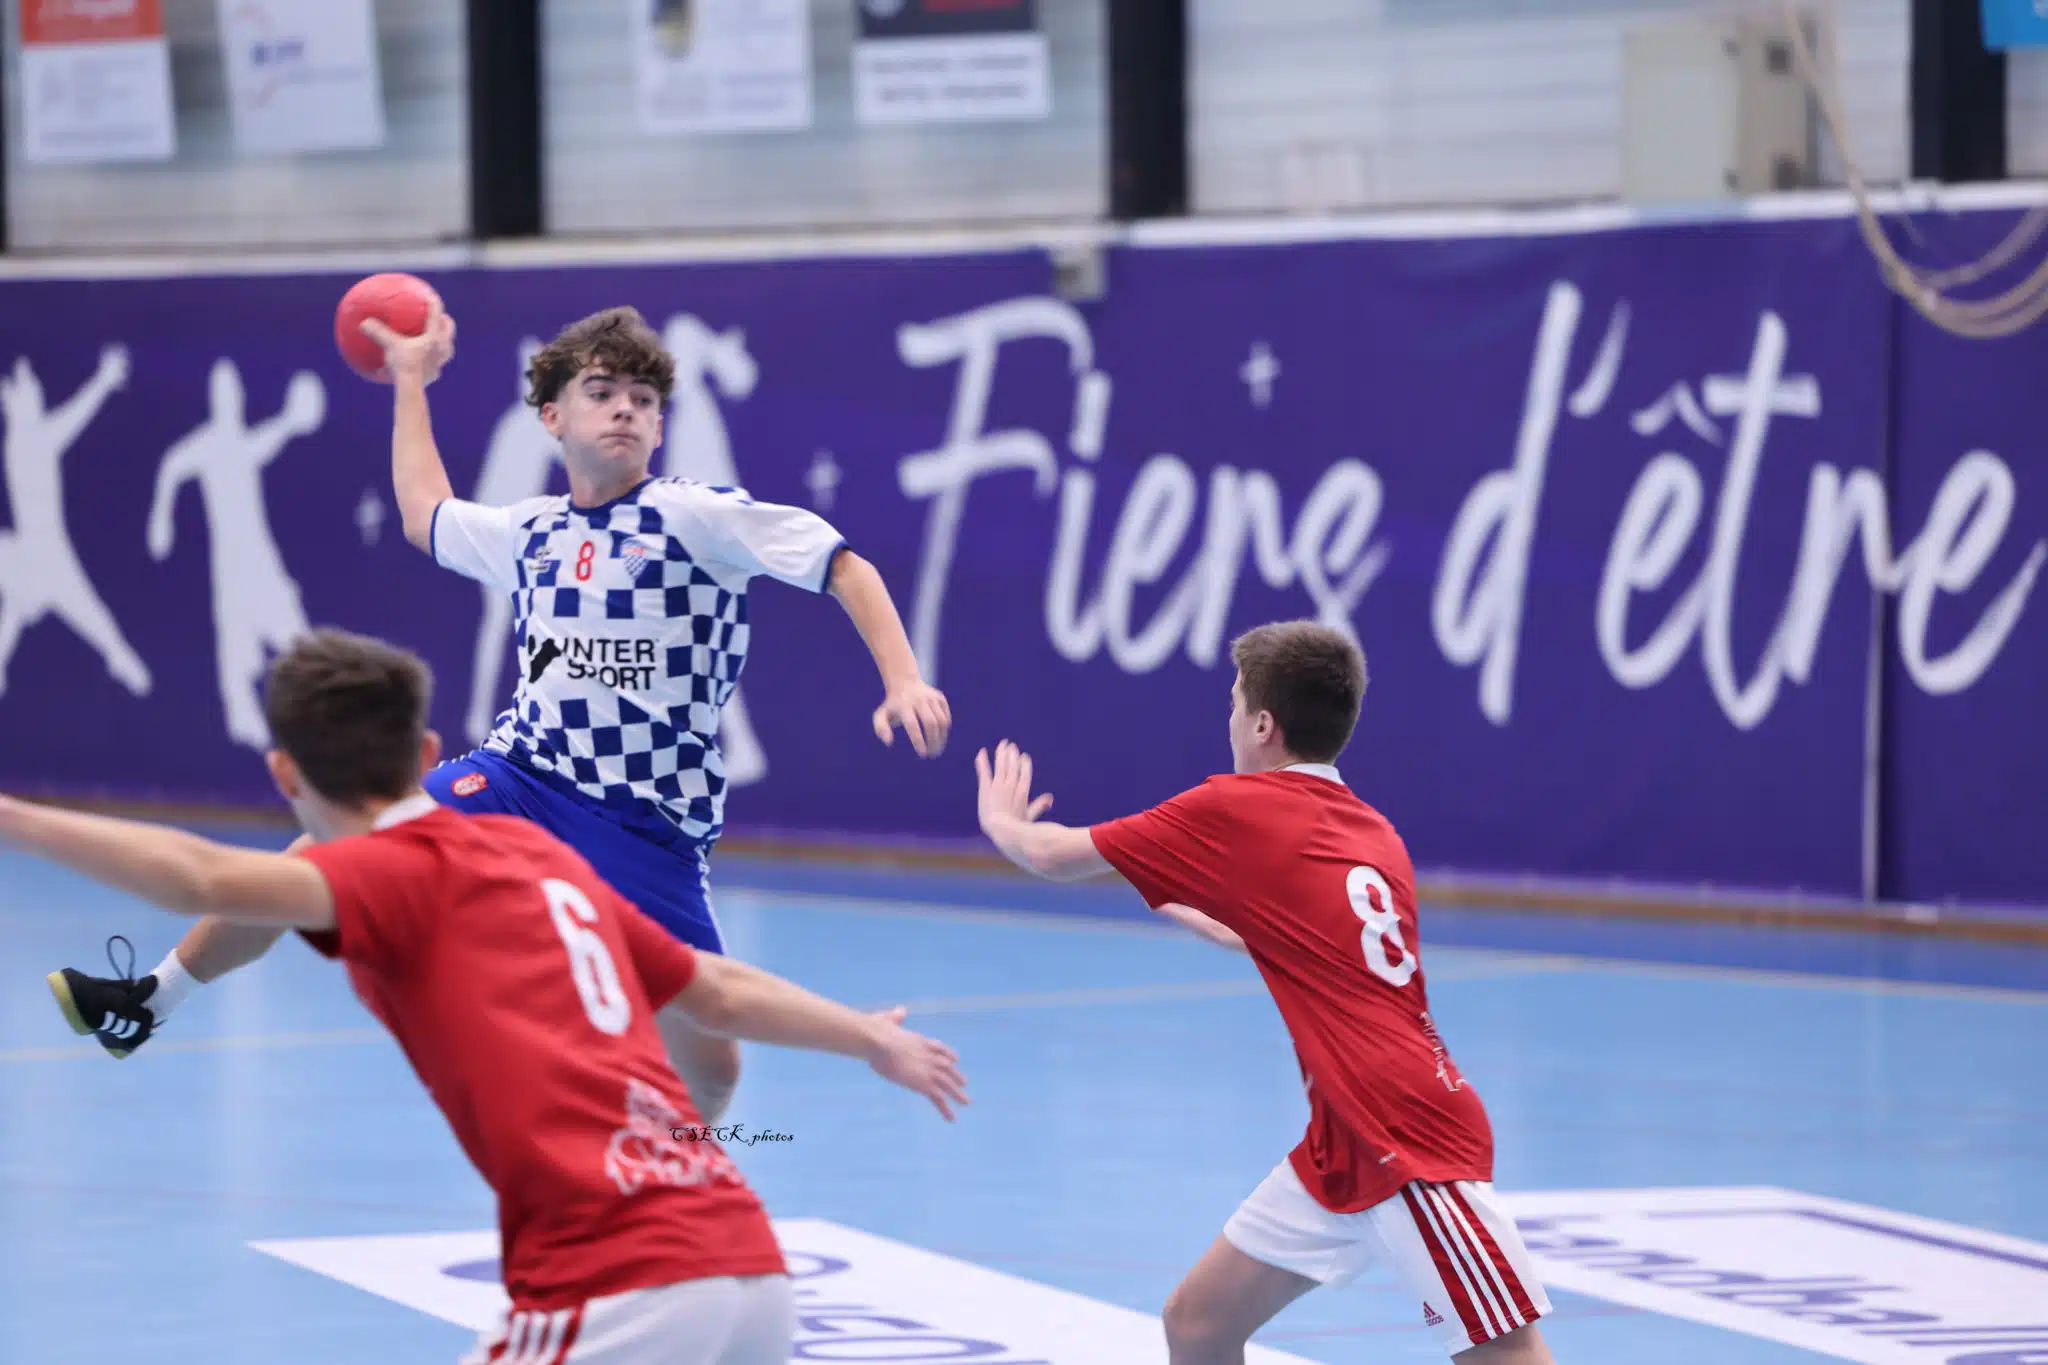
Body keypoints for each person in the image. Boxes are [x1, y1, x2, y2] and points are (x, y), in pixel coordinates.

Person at [50, 299, 951, 1130]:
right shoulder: (532, 532)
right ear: (552, 417)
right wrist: (410, 380)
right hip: (520, 779)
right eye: (601, 391)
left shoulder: (697, 517)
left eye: (643, 399)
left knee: (712, 1060)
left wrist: (903, 678)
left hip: (646, 825)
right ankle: (147, 1000)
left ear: (660, 425)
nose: (626, 408)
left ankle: (680, 1166)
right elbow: (424, 514)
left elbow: (845, 566)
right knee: (322, 854)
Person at [26, 629, 967, 1365]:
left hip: (619, 1287)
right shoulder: (538, 856)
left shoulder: (385, 876)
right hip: (750, 1267)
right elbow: (714, 990)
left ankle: (149, 997)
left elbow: (199, 875)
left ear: (283, 772)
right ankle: (150, 998)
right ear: (429, 749)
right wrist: (865, 1037)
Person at [971, 620, 1557, 1364]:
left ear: (1261, 725)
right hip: (1339, 1142)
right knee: (1198, 1322)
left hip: (1403, 1134)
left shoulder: (1237, 808)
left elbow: (1054, 855)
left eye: (1234, 703)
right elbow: (1329, 948)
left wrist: (1003, 823)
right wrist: (1228, 926)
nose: (1228, 720)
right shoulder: (1373, 832)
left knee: (1507, 1354)